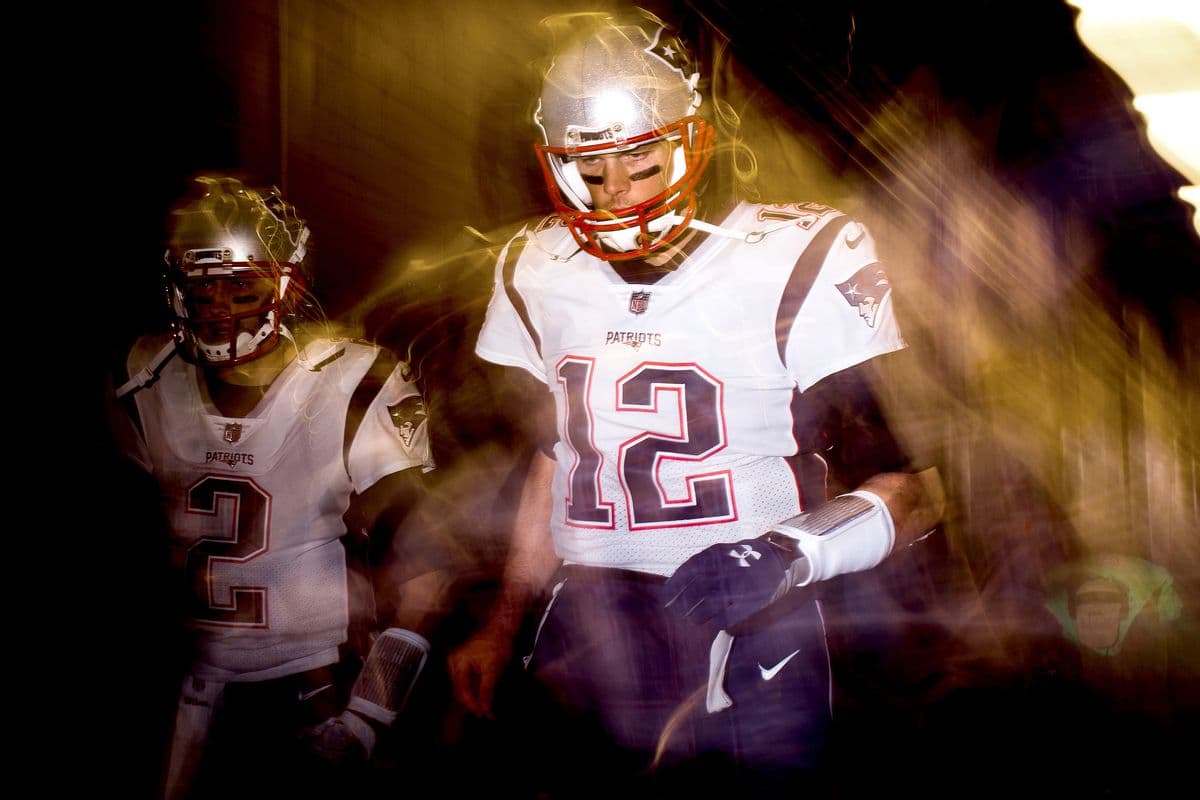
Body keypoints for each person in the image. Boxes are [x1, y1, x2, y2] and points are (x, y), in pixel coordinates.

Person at [447, 9, 943, 796]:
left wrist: (788, 553)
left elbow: (915, 493)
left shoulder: (796, 255)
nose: (615, 190)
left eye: (639, 159)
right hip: (588, 621)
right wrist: (504, 621)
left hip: (753, 619)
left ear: (691, 140)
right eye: (589, 167)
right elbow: (556, 459)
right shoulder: (534, 265)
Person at [108, 177, 443, 799]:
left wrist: (369, 714)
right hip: (187, 687)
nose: (218, 305)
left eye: (241, 285)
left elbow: (426, 570)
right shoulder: (144, 378)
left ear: (286, 285)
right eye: (201, 286)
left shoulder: (351, 383)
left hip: (313, 686)